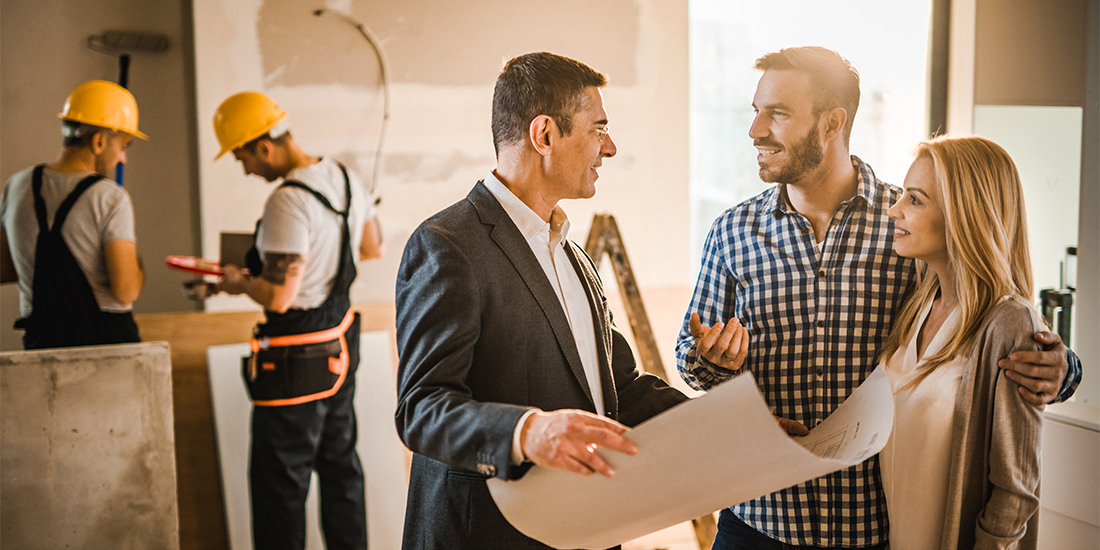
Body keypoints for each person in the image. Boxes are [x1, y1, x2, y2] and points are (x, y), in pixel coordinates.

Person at [674, 46, 1080, 549]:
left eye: (776, 113)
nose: (755, 130)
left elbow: (993, 326)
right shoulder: (732, 231)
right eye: (754, 111)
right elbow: (691, 365)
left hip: (875, 526)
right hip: (757, 518)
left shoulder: (914, 227)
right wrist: (710, 361)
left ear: (831, 123)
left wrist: (1063, 369)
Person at [394, 51, 689, 549]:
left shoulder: (572, 254)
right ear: (546, 135)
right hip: (486, 536)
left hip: (584, 531)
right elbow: (423, 407)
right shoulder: (447, 244)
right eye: (599, 128)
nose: (610, 147)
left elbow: (621, 390)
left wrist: (733, 426)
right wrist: (528, 432)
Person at [211, 90, 383, 550]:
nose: (246, 169)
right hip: (341, 347)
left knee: (280, 489)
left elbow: (279, 297)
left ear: (263, 147)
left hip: (293, 360)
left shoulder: (286, 201)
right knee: (341, 470)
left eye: (243, 157)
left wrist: (233, 281)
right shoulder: (347, 178)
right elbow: (371, 248)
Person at [880, 135, 1045, 549]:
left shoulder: (1010, 324)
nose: (893, 209)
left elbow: (1015, 488)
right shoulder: (920, 302)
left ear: (963, 214)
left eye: (915, 200)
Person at [0, 80, 146, 349]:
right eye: (124, 146)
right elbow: (126, 290)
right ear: (99, 141)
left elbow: (4, 269)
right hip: (105, 344)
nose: (123, 159)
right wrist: (138, 269)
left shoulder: (16, 186)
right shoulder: (110, 197)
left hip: (42, 342)